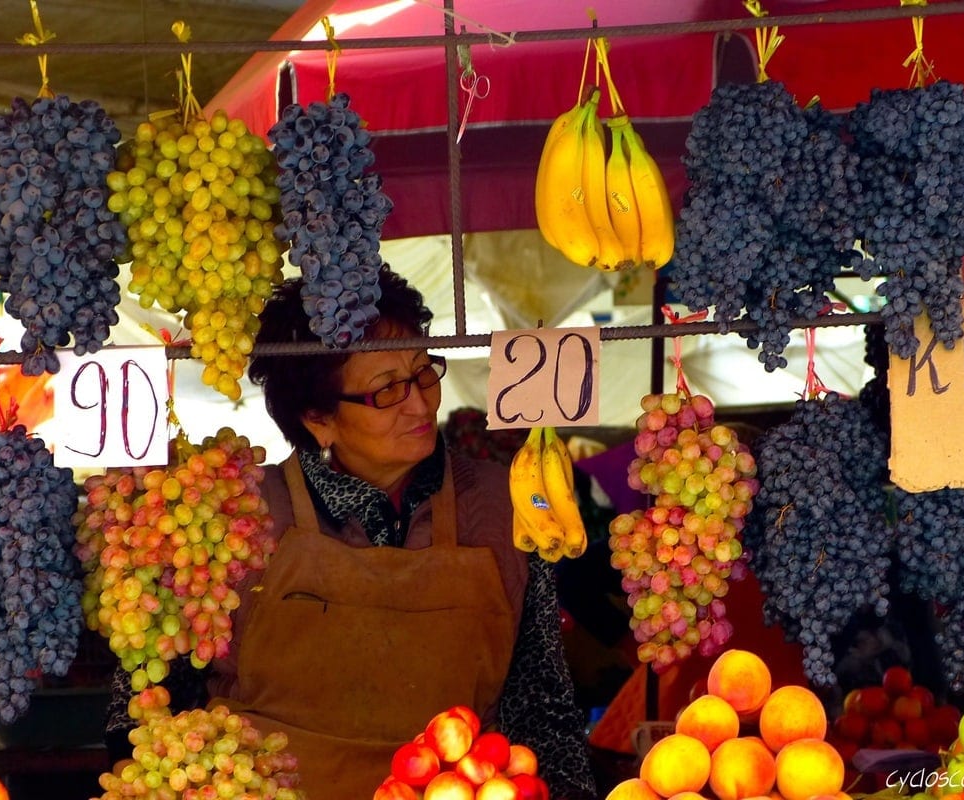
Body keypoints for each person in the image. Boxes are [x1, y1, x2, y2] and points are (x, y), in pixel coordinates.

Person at [105, 268, 598, 800]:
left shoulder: (505, 504)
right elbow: (142, 707)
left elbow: (541, 702)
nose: (420, 403)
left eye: (423, 373)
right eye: (387, 389)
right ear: (318, 418)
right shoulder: (236, 514)